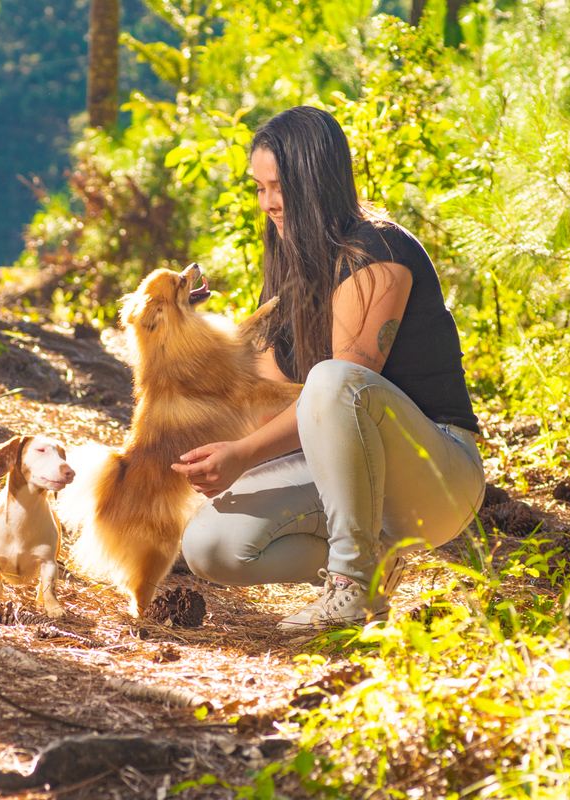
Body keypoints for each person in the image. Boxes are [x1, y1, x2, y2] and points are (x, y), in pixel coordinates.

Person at [172, 106, 486, 629]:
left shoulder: (378, 253)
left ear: (315, 178)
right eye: (258, 188)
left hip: (437, 474)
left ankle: (351, 589)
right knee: (210, 546)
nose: (268, 202)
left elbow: (338, 392)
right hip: (350, 480)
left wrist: (245, 454)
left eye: (279, 187)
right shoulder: (294, 262)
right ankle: (373, 562)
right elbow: (265, 386)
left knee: (334, 380)